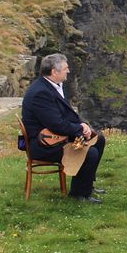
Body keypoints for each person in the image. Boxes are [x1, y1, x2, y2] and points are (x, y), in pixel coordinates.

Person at [21, 53, 107, 203]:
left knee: (98, 139)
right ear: (54, 71)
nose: (68, 71)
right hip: (44, 145)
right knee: (89, 152)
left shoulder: (51, 86)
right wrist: (79, 130)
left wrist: (83, 126)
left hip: (56, 137)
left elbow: (66, 115)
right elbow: (56, 124)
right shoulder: (40, 93)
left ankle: (87, 184)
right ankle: (79, 194)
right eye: (66, 68)